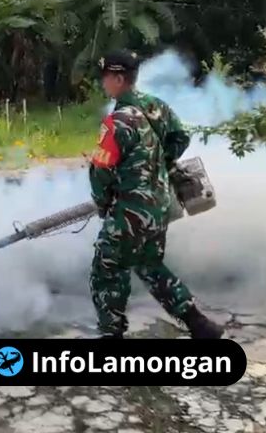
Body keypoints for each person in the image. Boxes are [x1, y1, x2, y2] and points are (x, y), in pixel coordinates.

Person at [87, 50, 224, 341]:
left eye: (105, 78)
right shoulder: (155, 106)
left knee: (107, 268)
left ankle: (110, 337)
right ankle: (200, 325)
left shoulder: (118, 122)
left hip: (131, 211)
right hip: (161, 205)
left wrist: (103, 203)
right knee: (150, 265)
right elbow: (180, 136)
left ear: (119, 78)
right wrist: (161, 164)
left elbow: (100, 172)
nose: (103, 83)